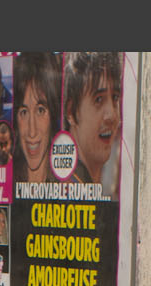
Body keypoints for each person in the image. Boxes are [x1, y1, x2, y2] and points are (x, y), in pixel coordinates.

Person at [64, 52, 123, 198]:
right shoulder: (66, 190)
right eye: (98, 100)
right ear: (71, 111)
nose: (112, 116)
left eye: (115, 98)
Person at [12, 52, 59, 187]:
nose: (32, 132)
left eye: (40, 110)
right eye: (24, 112)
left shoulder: (72, 180)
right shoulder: (4, 177)